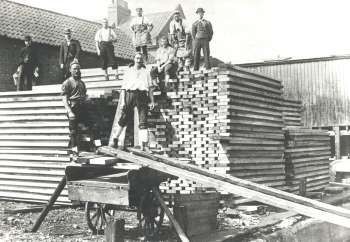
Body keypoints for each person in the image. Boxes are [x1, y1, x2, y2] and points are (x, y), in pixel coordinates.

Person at [113, 52, 155, 151]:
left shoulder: (146, 72)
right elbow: (123, 88)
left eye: (140, 58)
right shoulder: (128, 71)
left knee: (143, 120)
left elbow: (150, 89)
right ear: (134, 59)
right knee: (124, 118)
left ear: (142, 60)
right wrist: (123, 101)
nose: (139, 60)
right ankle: (115, 138)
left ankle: (143, 145)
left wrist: (152, 101)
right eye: (137, 58)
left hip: (142, 95)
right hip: (130, 94)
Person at [61, 61, 100, 155]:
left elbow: (84, 96)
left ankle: (97, 147)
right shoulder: (67, 83)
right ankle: (73, 151)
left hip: (83, 108)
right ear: (70, 70)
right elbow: (64, 100)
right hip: (74, 108)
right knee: (73, 132)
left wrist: (89, 101)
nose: (77, 71)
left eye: (78, 69)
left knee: (94, 126)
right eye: (74, 69)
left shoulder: (82, 83)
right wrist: (70, 112)